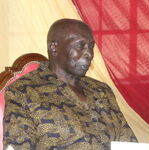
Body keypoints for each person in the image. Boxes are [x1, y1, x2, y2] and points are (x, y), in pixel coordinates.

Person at [3, 18, 137, 150]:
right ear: (54, 48)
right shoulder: (22, 92)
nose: (89, 54)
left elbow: (129, 143)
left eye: (91, 46)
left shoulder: (102, 90)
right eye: (80, 45)